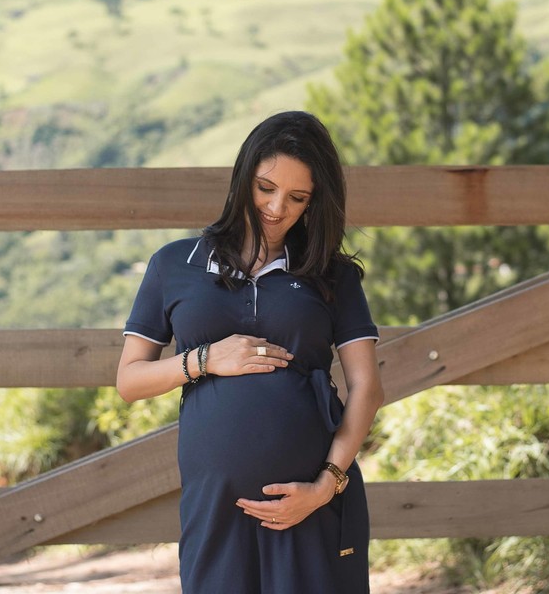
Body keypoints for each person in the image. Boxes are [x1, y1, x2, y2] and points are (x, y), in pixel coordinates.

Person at [116, 110, 384, 594]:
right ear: (243, 179)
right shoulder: (175, 264)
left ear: (313, 203)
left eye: (297, 197)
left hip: (309, 503)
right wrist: (204, 360)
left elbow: (367, 387)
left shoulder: (331, 274)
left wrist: (325, 486)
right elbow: (129, 381)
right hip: (215, 508)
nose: (277, 208)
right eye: (265, 188)